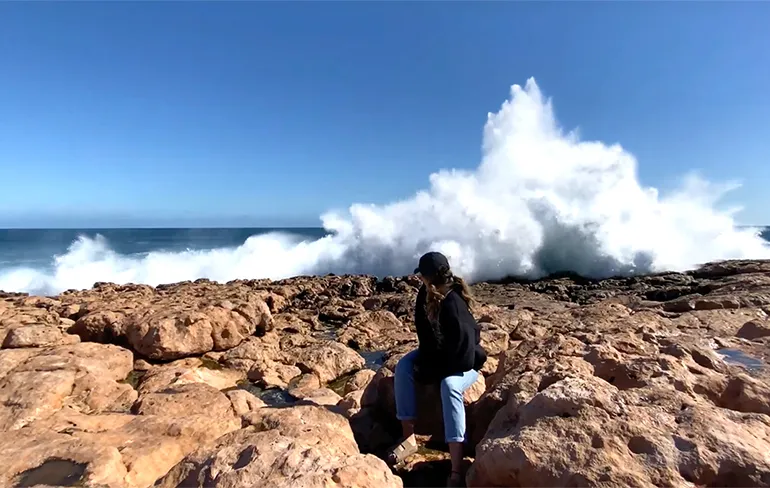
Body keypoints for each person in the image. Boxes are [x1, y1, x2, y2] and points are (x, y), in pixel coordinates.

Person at [387, 251, 487, 487]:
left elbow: (463, 357)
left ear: (428, 277)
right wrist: (427, 363)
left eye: (421, 275)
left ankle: (456, 467)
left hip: (467, 363)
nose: (419, 279)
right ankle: (408, 439)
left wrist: (433, 371)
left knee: (449, 385)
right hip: (439, 357)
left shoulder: (454, 303)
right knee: (404, 367)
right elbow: (425, 338)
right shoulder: (425, 295)